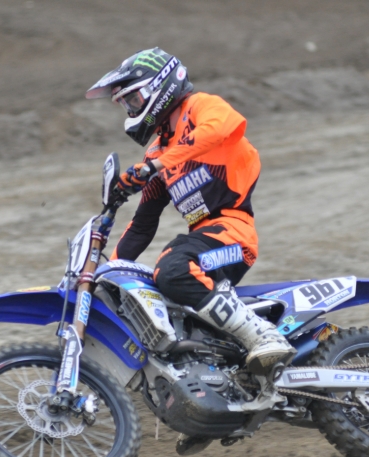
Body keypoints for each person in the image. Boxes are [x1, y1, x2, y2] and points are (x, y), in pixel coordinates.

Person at [86, 47, 295, 378]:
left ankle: (263, 335)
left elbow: (219, 128)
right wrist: (109, 275)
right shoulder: (159, 150)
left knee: (173, 268)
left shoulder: (201, 107)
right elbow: (142, 226)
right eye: (126, 105)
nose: (131, 109)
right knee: (144, 289)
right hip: (204, 238)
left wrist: (154, 166)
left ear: (161, 87)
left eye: (134, 99)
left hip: (233, 235)